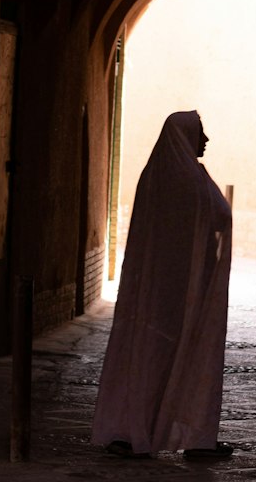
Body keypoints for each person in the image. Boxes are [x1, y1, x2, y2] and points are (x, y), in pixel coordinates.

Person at [92, 109, 234, 459]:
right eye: (200, 132)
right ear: (184, 136)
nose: (205, 139)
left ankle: (132, 429)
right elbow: (222, 216)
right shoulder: (192, 180)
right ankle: (191, 435)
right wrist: (204, 180)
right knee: (185, 354)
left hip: (153, 290)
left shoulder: (152, 177)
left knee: (145, 356)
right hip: (185, 290)